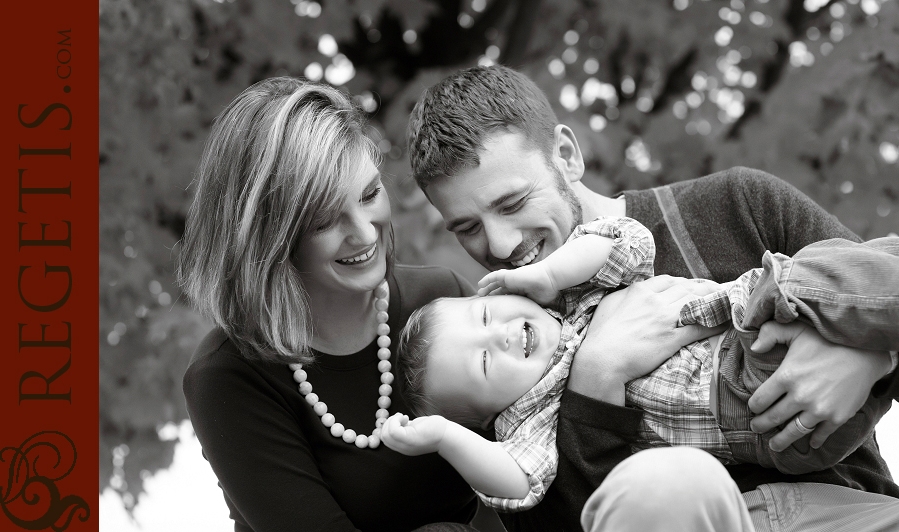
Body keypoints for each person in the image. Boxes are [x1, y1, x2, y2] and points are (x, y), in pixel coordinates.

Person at [405, 64, 899, 531]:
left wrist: (872, 358)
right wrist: (596, 376)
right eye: (466, 228)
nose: (499, 246)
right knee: (671, 483)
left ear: (567, 156)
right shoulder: (490, 364)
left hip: (851, 509)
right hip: (690, 513)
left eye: (512, 204)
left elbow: (871, 279)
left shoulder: (738, 204)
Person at [382, 215, 898, 514]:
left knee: (825, 266)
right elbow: (517, 480)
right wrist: (446, 439)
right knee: (809, 278)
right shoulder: (536, 414)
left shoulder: (573, 297)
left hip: (781, 336)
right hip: (755, 404)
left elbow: (628, 243)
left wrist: (546, 273)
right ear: (497, 413)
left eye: (487, 313)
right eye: (486, 363)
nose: (499, 334)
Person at [177, 77, 485, 531]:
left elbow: (535, 462)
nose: (363, 233)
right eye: (324, 219)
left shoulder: (445, 299)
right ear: (269, 237)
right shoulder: (228, 377)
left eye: (369, 194)